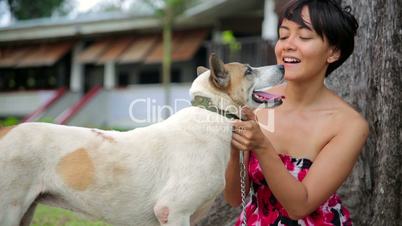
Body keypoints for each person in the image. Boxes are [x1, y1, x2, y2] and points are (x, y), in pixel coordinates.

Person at [225, 0, 368, 225]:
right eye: (283, 36)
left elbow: (300, 206)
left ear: (333, 52)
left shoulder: (348, 125)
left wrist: (261, 145)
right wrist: (234, 149)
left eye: (304, 37)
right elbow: (234, 197)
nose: (288, 45)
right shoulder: (258, 103)